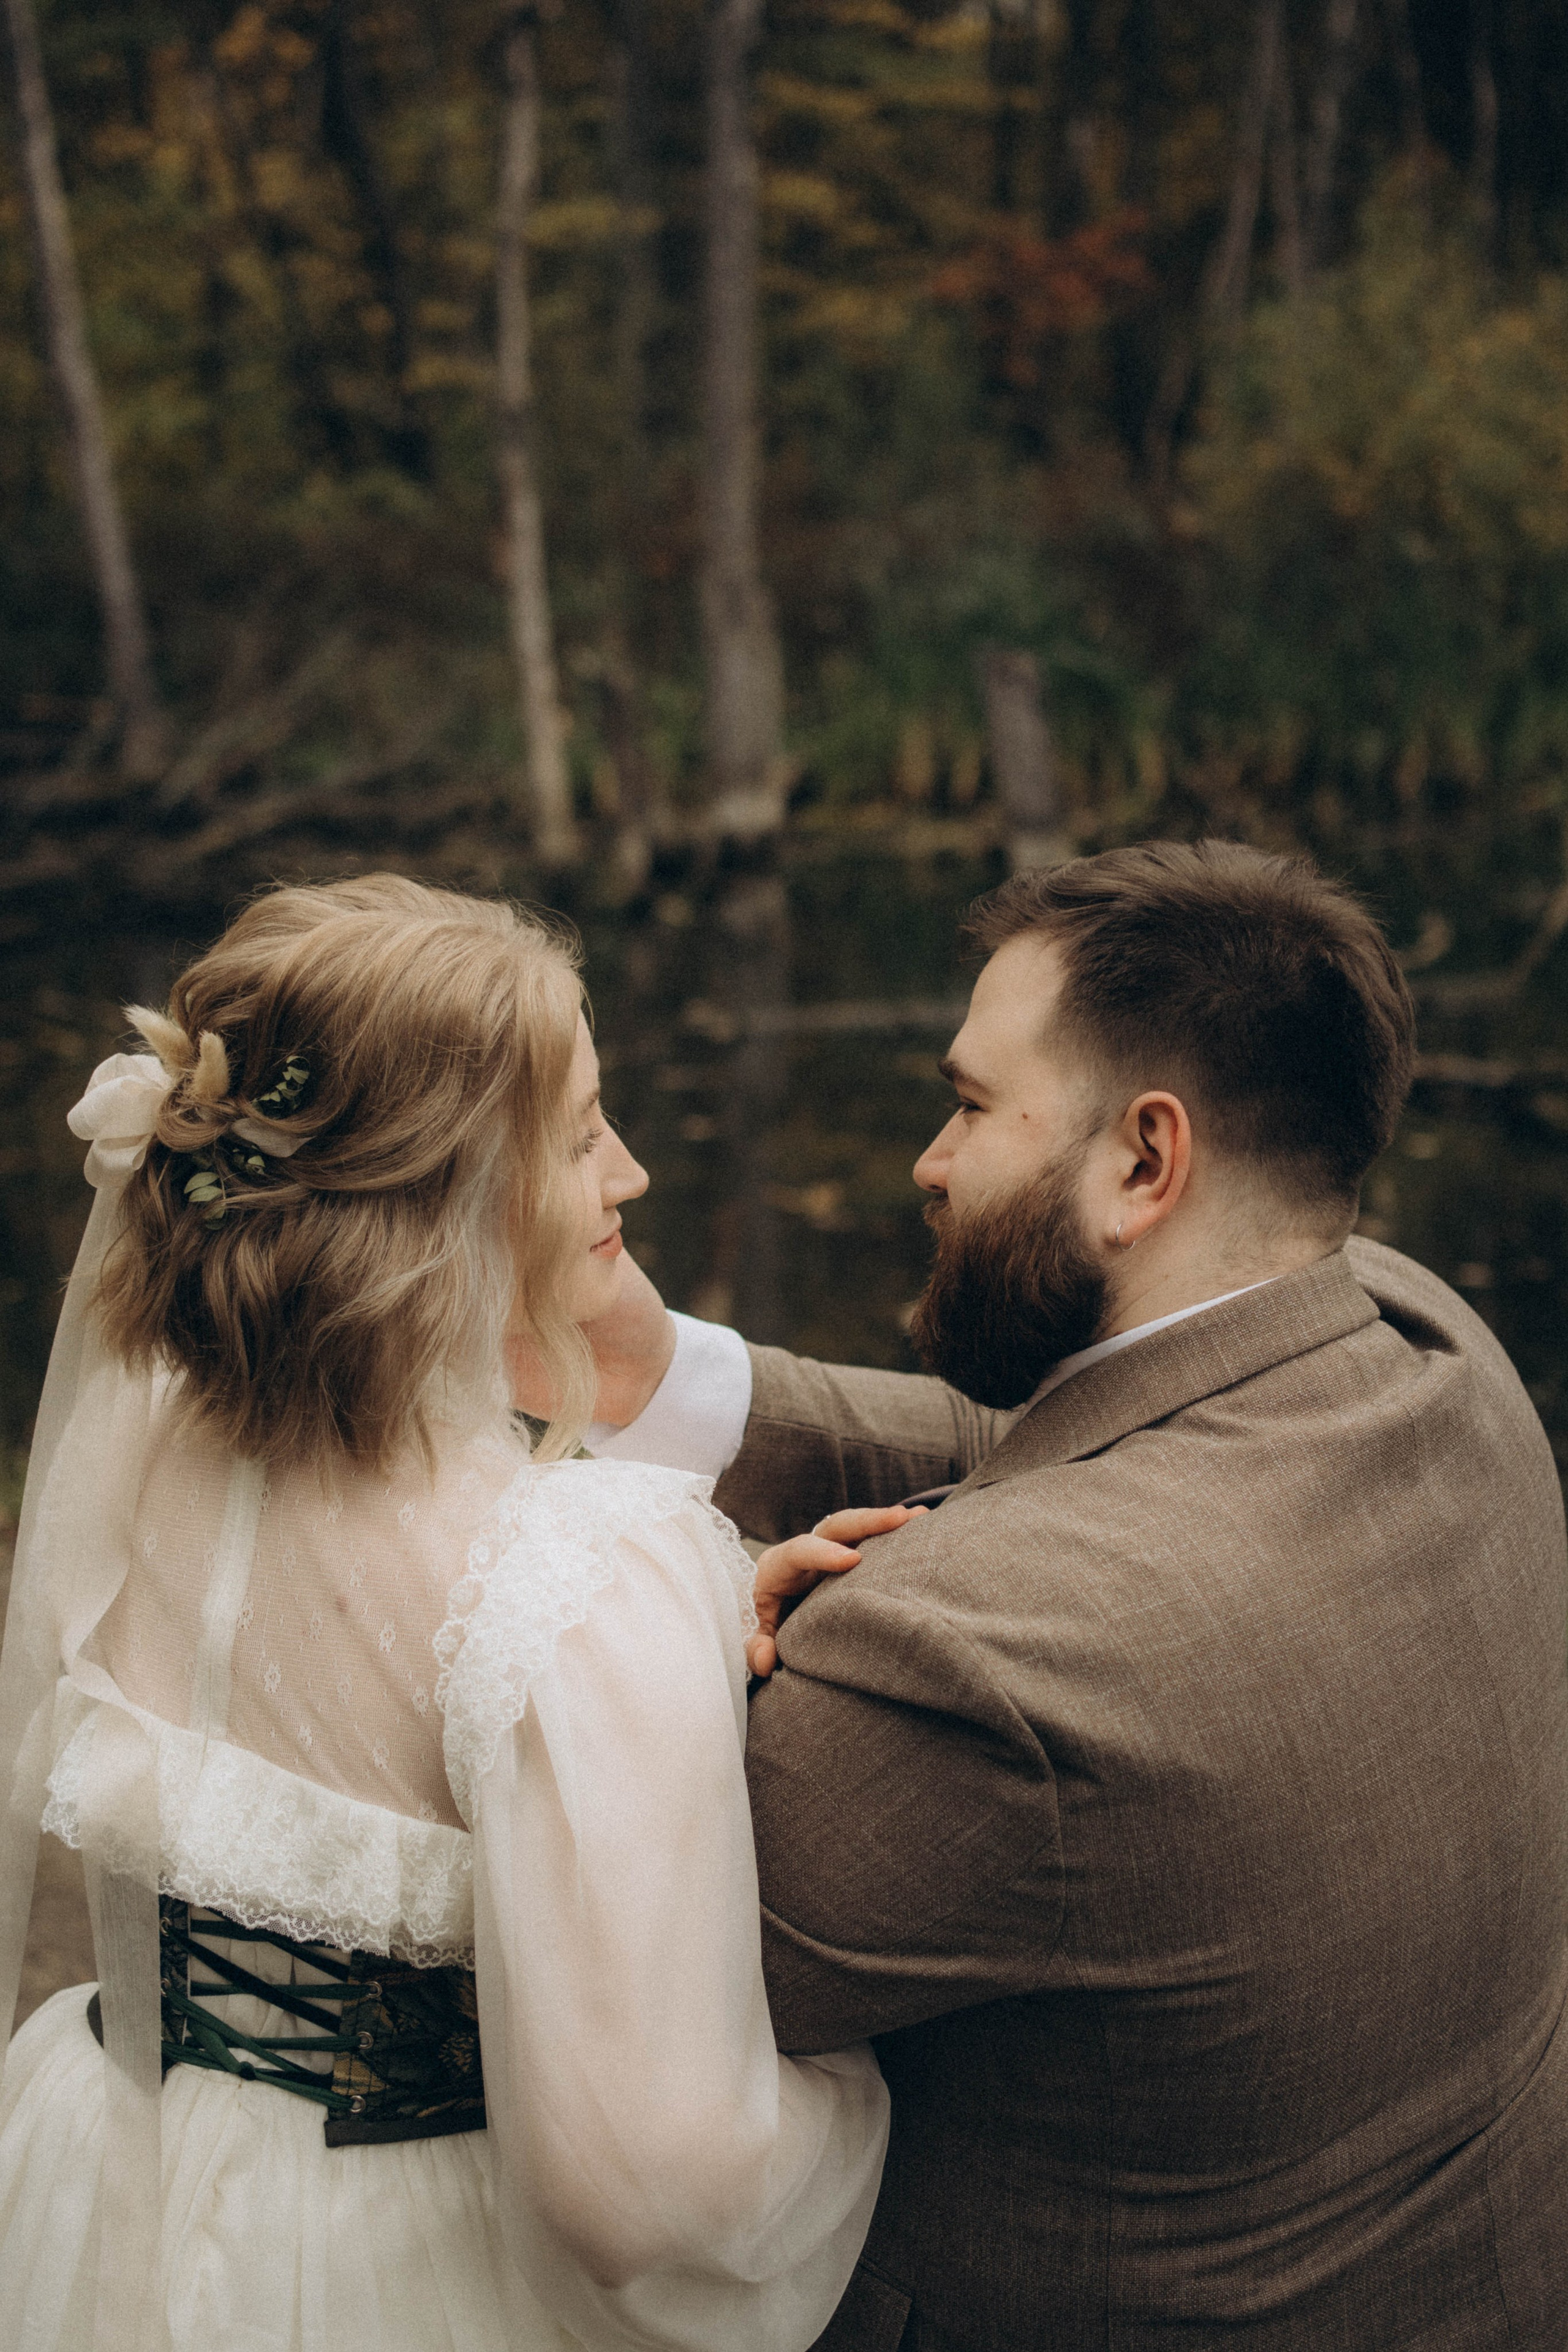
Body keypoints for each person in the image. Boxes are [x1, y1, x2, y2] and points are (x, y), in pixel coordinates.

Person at [570, 842, 1568, 2351]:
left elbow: (590, 1984)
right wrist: (657, 1383)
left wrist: (622, 1585)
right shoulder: (1423, 1339)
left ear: (1143, 1161)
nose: (925, 1157)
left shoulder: (966, 1662)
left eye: (970, 1106)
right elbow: (1093, 1432)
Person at [0, 875, 892, 2352]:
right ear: (444, 1189)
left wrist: (684, 1621)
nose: (632, 1176)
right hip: (392, 2274)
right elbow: (648, 2199)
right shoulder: (588, 1570)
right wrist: (858, 2097)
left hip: (97, 2176)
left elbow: (311, 1680)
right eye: (580, 1131)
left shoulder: (138, 1428)